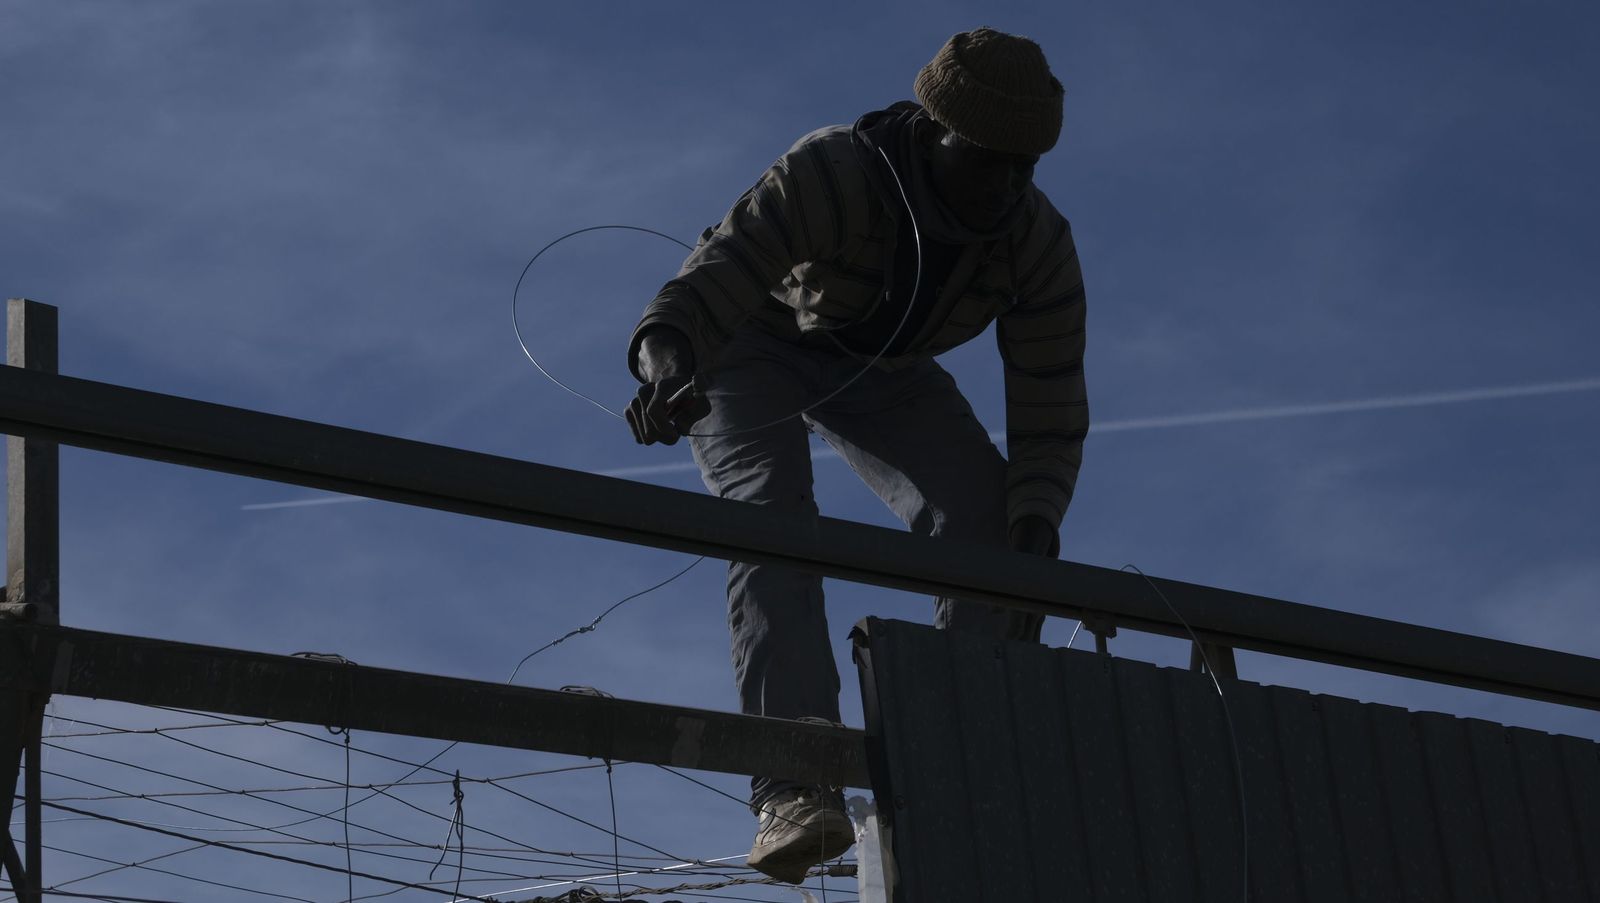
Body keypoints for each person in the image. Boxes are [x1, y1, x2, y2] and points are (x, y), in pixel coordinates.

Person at [624, 27, 1088, 883]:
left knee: (993, 527)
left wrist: (1035, 525)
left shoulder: (1035, 241)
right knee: (772, 519)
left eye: (1023, 167)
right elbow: (714, 275)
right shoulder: (836, 168)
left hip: (886, 369)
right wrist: (667, 360)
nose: (1004, 185)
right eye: (985, 160)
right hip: (751, 340)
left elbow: (1051, 408)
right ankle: (796, 782)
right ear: (933, 128)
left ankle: (954, 767)